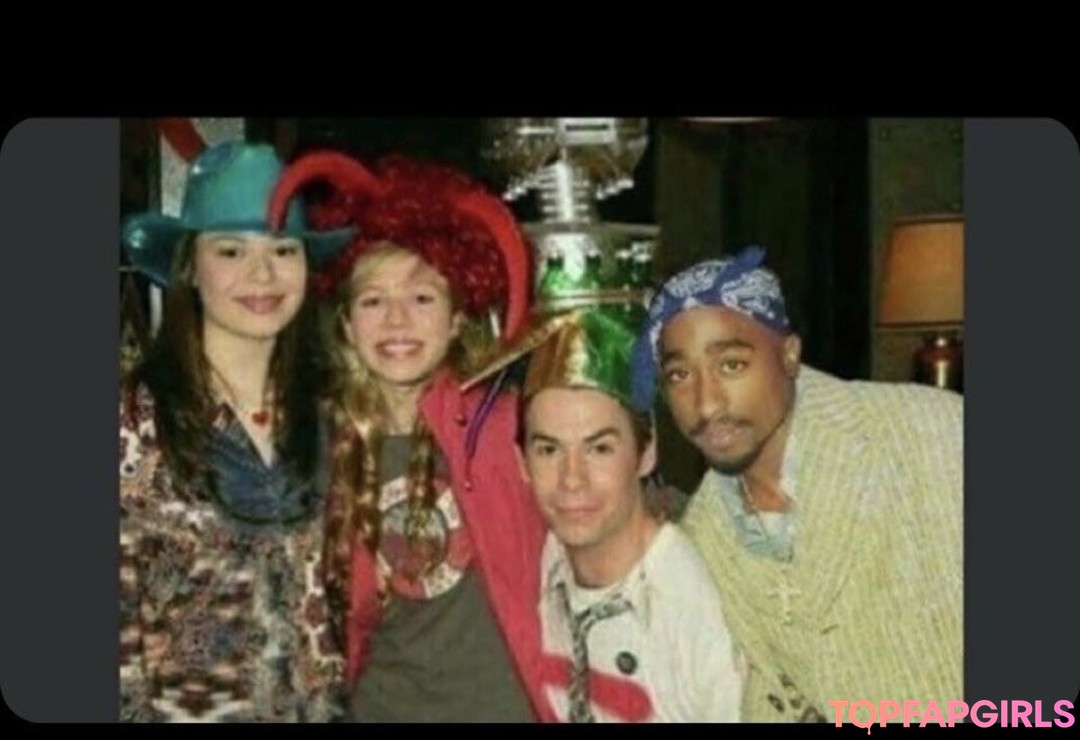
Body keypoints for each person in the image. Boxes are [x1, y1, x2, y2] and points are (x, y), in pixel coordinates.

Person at [268, 150, 556, 722]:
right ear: (347, 323)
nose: (397, 320)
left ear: (456, 318)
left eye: (422, 298)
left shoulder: (507, 425)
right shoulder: (315, 444)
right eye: (373, 300)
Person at [629, 245, 964, 723]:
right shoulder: (704, 538)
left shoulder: (927, 433)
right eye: (680, 375)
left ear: (788, 355)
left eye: (731, 365)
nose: (706, 405)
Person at [118, 140, 355, 721]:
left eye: (284, 250)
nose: (262, 274)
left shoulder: (335, 415)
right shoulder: (133, 422)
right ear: (190, 269)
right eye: (231, 250)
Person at [468, 302, 746, 723]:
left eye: (599, 448)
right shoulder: (543, 567)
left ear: (646, 452)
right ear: (522, 463)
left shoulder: (693, 602)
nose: (572, 479)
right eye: (549, 450)